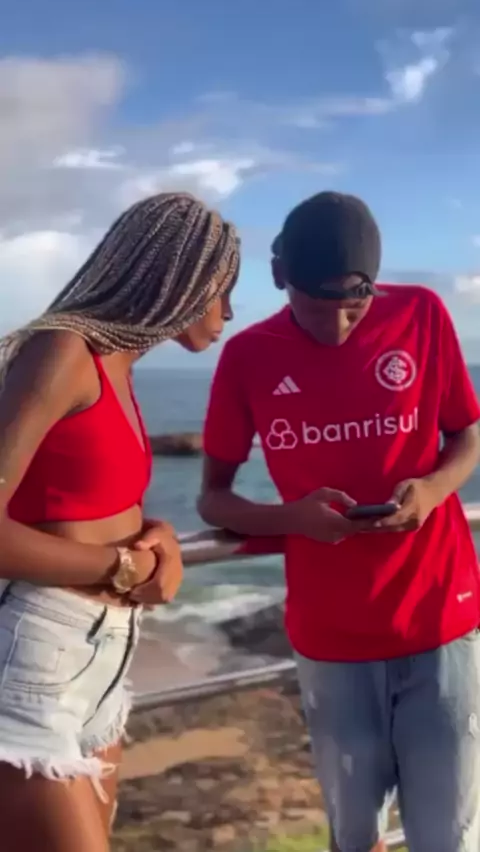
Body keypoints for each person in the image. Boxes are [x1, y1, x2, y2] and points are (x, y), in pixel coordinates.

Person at [198, 191, 480, 852]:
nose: (338, 327)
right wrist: (292, 518)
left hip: (440, 616)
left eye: (355, 306)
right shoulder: (248, 355)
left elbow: (466, 435)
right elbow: (214, 497)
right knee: (354, 837)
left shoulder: (422, 313)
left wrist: (432, 490)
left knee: (449, 837)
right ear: (279, 277)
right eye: (317, 308)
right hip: (332, 637)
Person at [0, 192, 239, 852]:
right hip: (36, 659)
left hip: (105, 664)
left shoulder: (117, 368)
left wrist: (158, 535)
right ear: (180, 277)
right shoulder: (62, 351)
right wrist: (124, 567)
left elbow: (81, 499)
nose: (228, 312)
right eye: (222, 290)